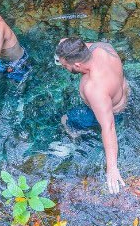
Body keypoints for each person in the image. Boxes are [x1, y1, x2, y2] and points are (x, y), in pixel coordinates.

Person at [54, 37, 129, 194]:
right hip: (124, 96)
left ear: (77, 65)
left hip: (110, 112)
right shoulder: (102, 48)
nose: (64, 67)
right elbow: (68, 42)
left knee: (65, 119)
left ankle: (73, 141)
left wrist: (112, 168)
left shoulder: (94, 88)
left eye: (65, 66)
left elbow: (108, 127)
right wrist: (62, 52)